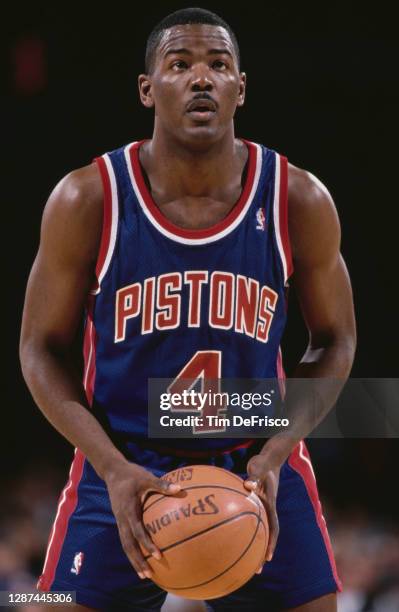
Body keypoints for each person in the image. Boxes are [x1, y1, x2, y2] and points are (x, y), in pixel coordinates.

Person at [20, 7, 356, 611]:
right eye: (180, 64)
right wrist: (110, 466)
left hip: (254, 459)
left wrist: (279, 450)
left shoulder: (297, 197)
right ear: (148, 89)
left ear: (241, 88)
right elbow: (37, 348)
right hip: (124, 458)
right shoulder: (87, 198)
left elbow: (336, 339)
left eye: (218, 64)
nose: (202, 77)